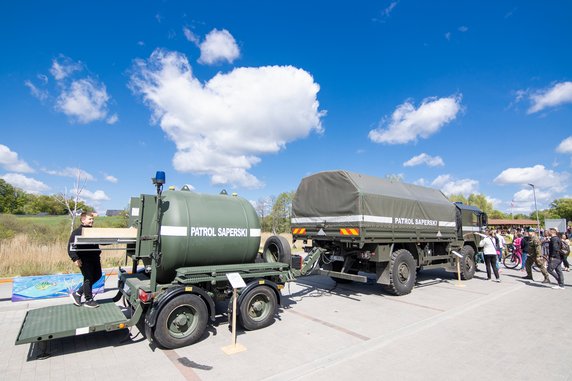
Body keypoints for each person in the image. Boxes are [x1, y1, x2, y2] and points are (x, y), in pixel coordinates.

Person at [68, 212, 102, 308]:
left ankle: (78, 294)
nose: (92, 221)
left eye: (92, 219)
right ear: (83, 220)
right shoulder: (77, 232)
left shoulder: (93, 231)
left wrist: (114, 240)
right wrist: (75, 258)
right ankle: (88, 300)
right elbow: (70, 247)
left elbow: (102, 241)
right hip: (84, 259)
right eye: (89, 219)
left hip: (95, 258)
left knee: (98, 275)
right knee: (88, 278)